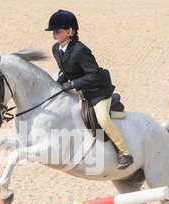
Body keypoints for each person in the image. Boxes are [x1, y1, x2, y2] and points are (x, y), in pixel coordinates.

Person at [45, 9, 134, 170]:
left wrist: (72, 85)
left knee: (103, 119)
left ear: (69, 31)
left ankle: (124, 152)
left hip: (98, 89)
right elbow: (66, 72)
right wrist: (59, 84)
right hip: (81, 87)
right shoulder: (56, 49)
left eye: (58, 31)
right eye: (53, 31)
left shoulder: (80, 50)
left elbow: (94, 76)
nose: (54, 34)